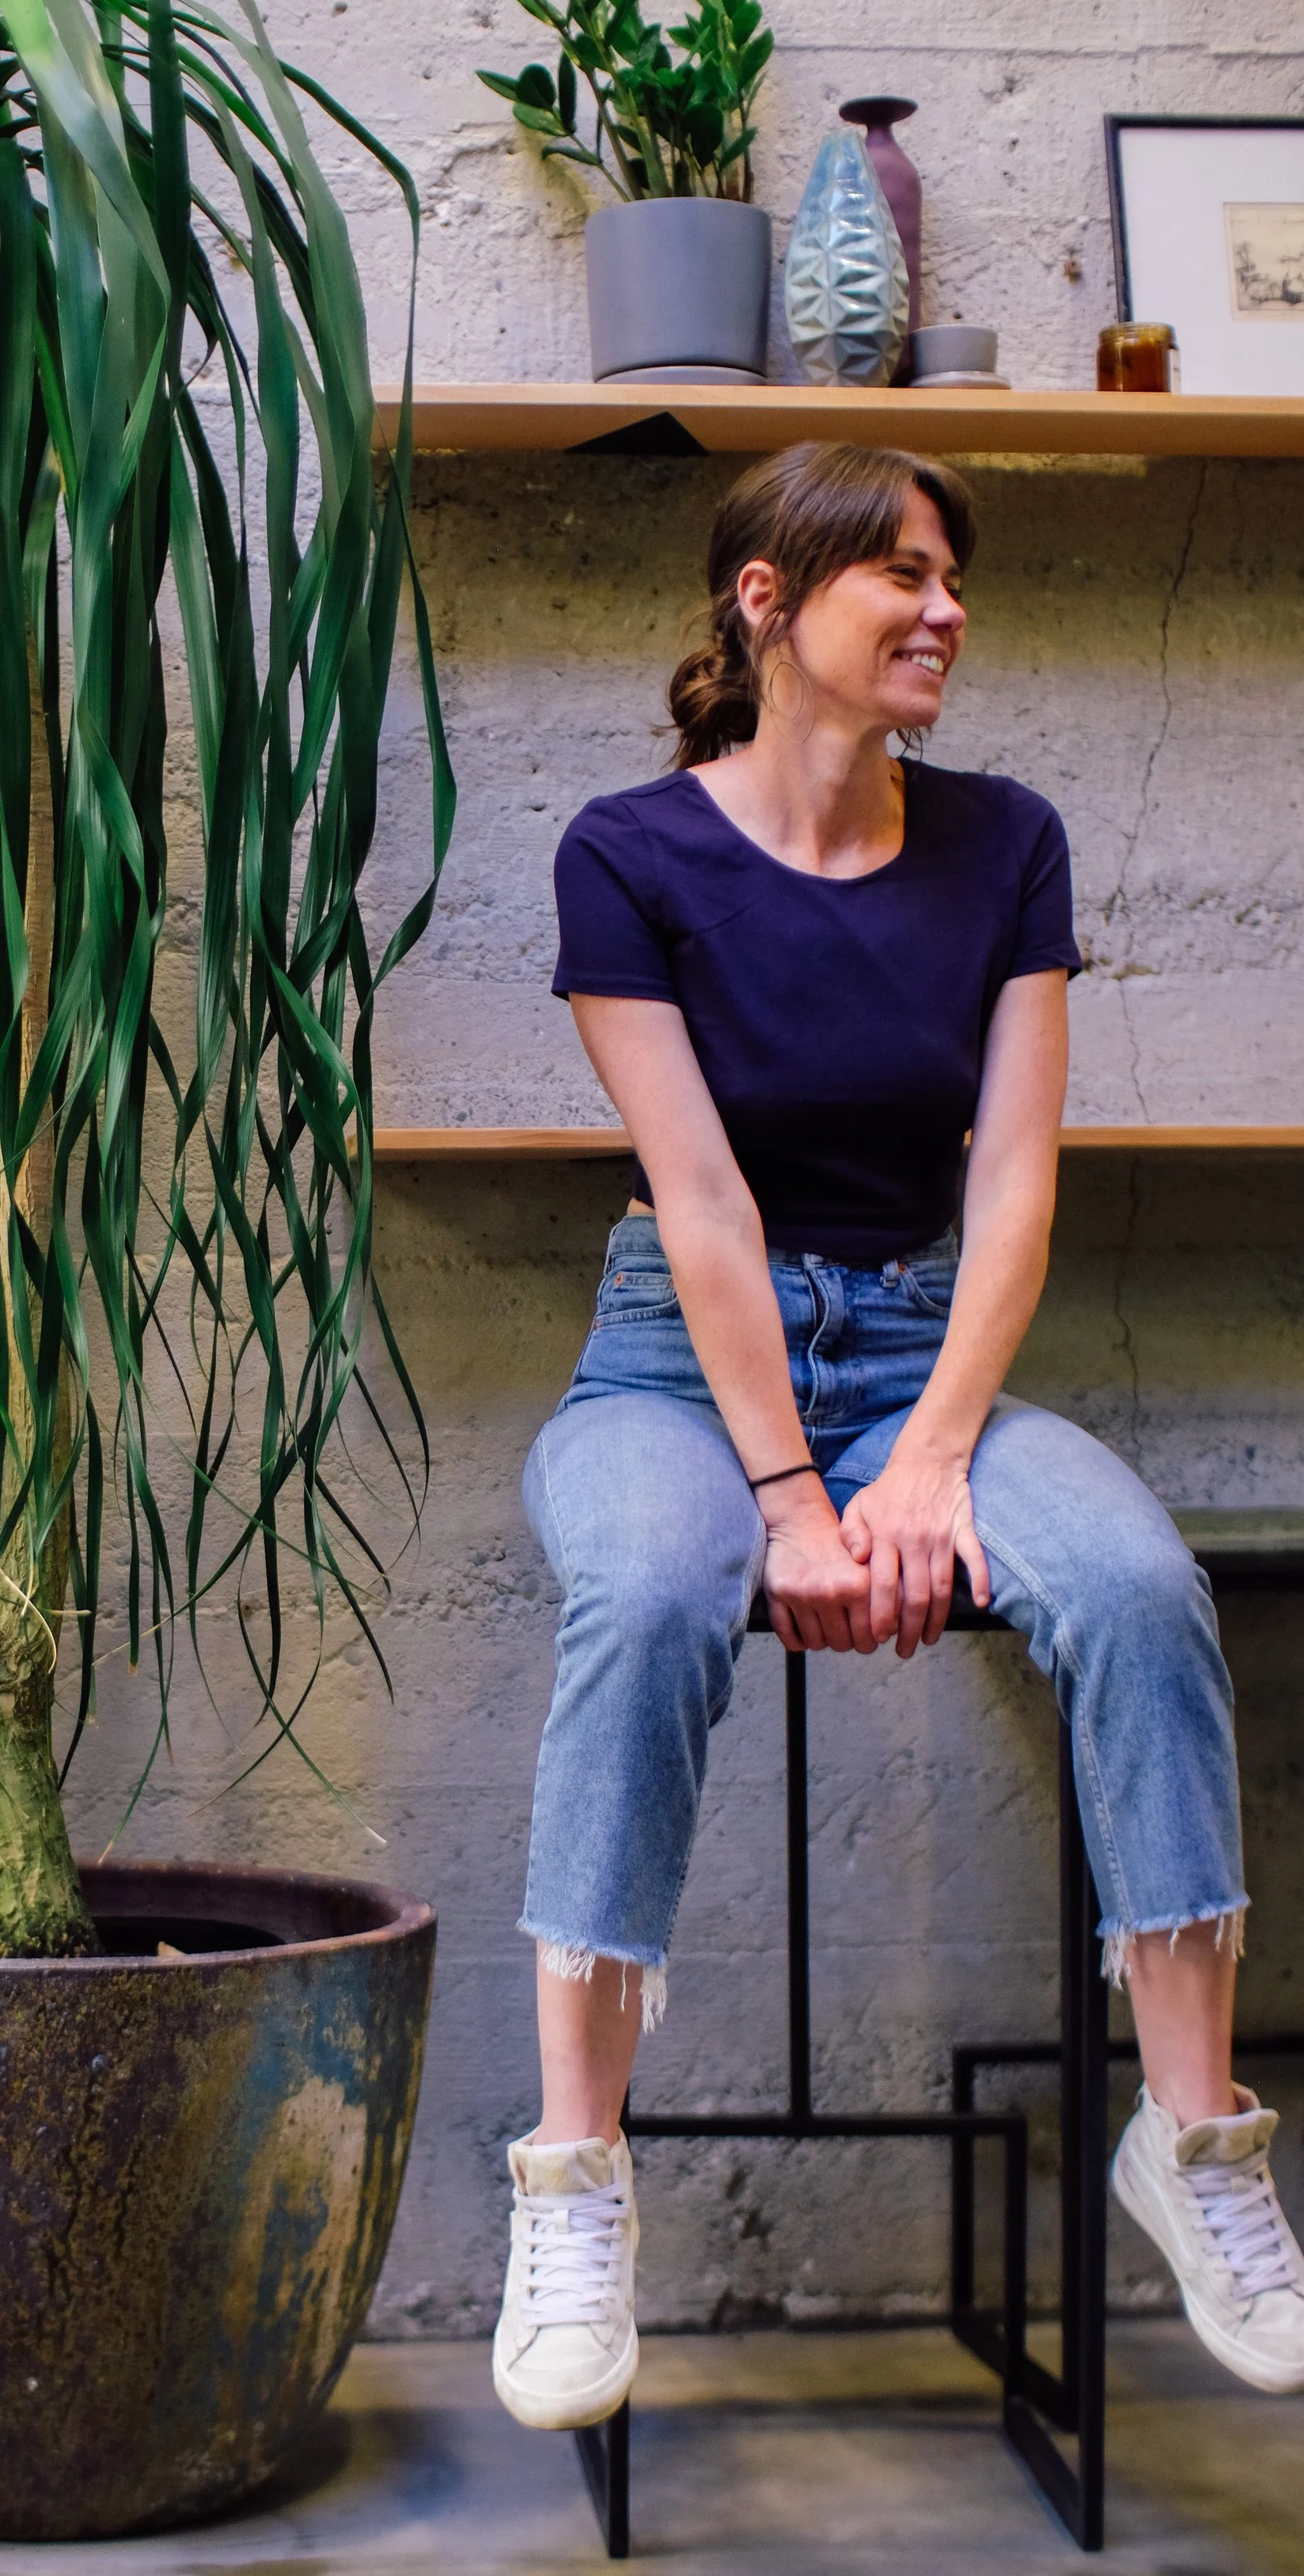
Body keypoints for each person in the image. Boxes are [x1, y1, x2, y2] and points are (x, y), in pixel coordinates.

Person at [493, 442, 1304, 2434]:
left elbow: (1013, 1192)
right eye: (904, 577)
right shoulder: (626, 852)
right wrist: (784, 1493)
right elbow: (697, 1208)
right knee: (647, 1590)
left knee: (1129, 1582)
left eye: (955, 579)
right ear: (768, 602)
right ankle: (575, 2184)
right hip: (682, 1371)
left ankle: (1194, 2144)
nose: (945, 609)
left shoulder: (1005, 840)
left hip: (927, 1350)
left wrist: (928, 1455)